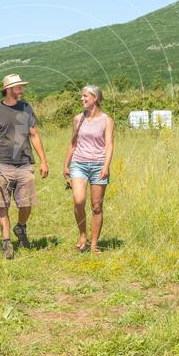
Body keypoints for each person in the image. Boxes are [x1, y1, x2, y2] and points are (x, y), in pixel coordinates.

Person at [0, 74, 49, 259]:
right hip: (3, 163)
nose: (21, 90)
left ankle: (21, 226)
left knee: (27, 203)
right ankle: (6, 241)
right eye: (18, 87)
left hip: (24, 163)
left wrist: (43, 161)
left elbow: (34, 135)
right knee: (3, 204)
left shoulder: (26, 108)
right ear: (8, 89)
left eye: (21, 87)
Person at [63, 85, 114, 253]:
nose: (82, 99)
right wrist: (66, 164)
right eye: (81, 96)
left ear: (96, 98)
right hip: (79, 164)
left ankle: (93, 244)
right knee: (78, 200)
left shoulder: (107, 120)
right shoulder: (78, 119)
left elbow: (109, 145)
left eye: (85, 96)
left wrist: (106, 166)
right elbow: (73, 143)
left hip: (99, 165)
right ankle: (82, 234)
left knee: (96, 206)